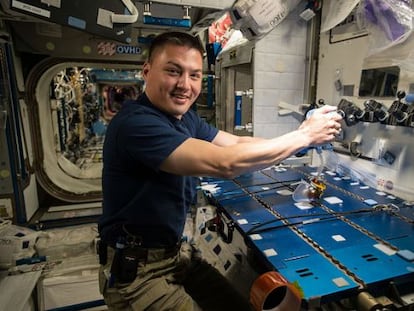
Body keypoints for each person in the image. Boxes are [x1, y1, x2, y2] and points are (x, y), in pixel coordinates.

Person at [98, 31, 342, 311]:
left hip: (174, 254)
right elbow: (226, 163)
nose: (184, 85)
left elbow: (238, 142)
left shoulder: (184, 117)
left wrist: (299, 139)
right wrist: (306, 137)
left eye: (194, 75)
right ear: (146, 71)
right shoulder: (137, 124)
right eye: (173, 71)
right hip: (139, 274)